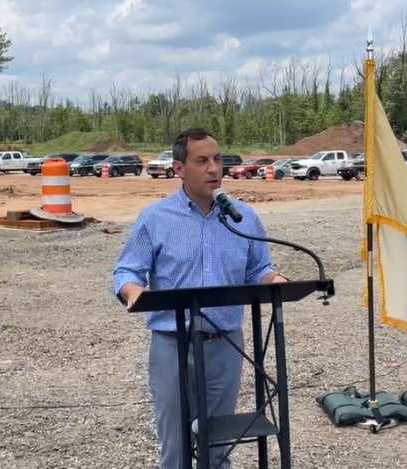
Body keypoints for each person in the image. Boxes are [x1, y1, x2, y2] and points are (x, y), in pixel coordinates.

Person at [112, 127, 288, 469]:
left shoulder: (242, 216)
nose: (213, 169)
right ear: (179, 169)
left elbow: (259, 269)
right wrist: (134, 291)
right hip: (171, 345)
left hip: (226, 344)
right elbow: (127, 271)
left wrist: (275, 279)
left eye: (218, 160)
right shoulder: (155, 217)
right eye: (202, 161)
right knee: (176, 446)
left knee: (218, 444)